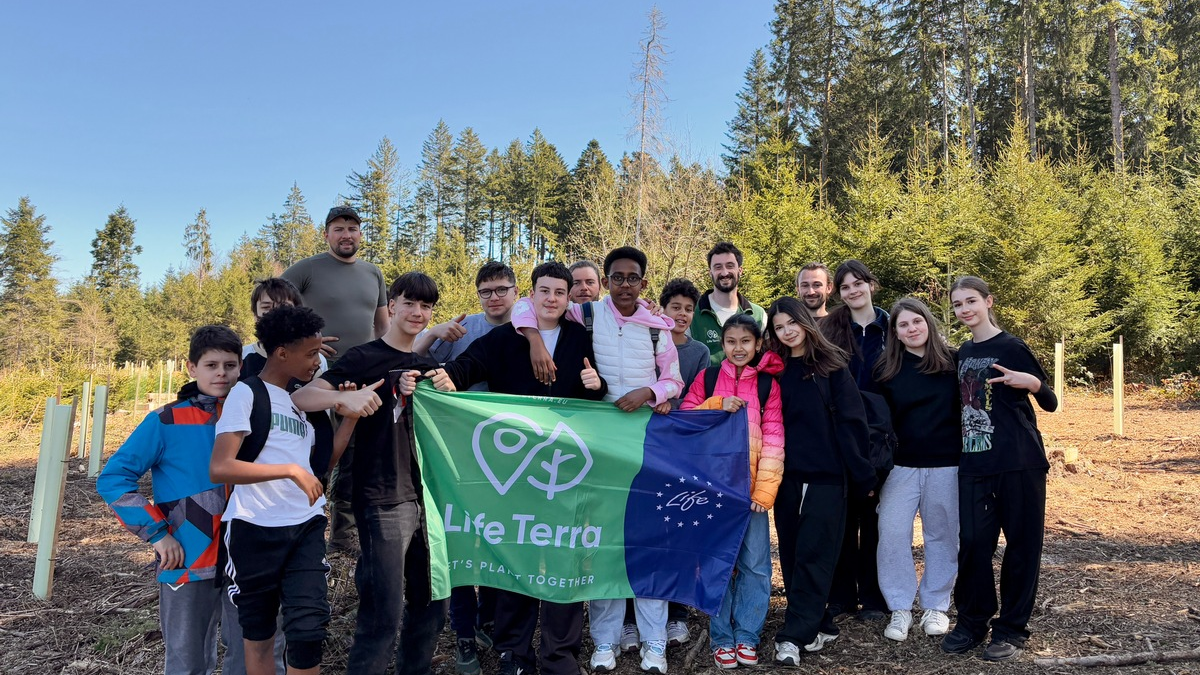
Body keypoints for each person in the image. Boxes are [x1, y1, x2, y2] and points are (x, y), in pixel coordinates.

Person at [419, 261, 607, 675]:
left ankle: (559, 655)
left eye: (560, 292)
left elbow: (596, 393)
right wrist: (449, 378)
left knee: (565, 562)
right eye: (545, 291)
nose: (552, 299)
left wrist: (598, 390)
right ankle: (514, 653)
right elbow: (468, 365)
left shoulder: (581, 337)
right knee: (516, 559)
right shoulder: (504, 339)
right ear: (532, 294)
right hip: (514, 472)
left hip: (566, 469)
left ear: (568, 295)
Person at [512, 246, 682, 674]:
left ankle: (654, 642)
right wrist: (533, 338)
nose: (625, 284)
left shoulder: (658, 329)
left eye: (633, 278)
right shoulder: (584, 316)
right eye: (617, 277)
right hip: (595, 446)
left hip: (644, 443)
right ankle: (604, 640)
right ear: (605, 282)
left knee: (647, 544)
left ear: (644, 282)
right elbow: (523, 307)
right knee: (601, 544)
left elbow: (674, 380)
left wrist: (651, 393)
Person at [291, 272, 448, 675]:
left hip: (429, 498)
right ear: (391, 306)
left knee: (432, 602)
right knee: (383, 608)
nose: (417, 312)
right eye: (409, 303)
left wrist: (449, 391)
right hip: (382, 497)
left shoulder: (430, 366)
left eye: (426, 306)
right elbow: (301, 397)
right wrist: (346, 397)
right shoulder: (364, 358)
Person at [210, 306, 358, 675]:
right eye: (310, 354)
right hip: (253, 528)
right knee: (258, 635)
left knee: (308, 633)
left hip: (305, 525)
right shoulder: (247, 393)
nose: (316, 362)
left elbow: (320, 467)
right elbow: (221, 467)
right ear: (280, 353)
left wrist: (349, 418)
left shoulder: (300, 405)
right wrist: (289, 470)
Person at [97, 326, 250, 675]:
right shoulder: (166, 420)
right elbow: (113, 479)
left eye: (230, 365)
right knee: (186, 660)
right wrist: (156, 533)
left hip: (247, 550)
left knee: (250, 653)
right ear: (191, 368)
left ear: (241, 367)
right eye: (211, 365)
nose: (221, 373)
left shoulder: (252, 415)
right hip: (187, 554)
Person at [941, 276, 1058, 662]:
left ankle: (1010, 629)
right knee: (974, 544)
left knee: (1022, 547)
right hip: (975, 462)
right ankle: (973, 622)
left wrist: (1033, 384)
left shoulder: (1012, 347)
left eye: (971, 301)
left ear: (989, 301)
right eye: (958, 305)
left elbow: (1051, 401)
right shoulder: (961, 352)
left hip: (1019, 462)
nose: (964, 310)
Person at [413, 261, 516, 674]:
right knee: (460, 539)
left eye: (501, 289)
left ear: (515, 291)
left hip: (511, 455)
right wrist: (433, 332)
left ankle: (491, 619)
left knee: (500, 538)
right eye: (486, 291)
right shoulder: (463, 329)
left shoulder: (529, 325)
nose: (493, 297)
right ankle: (464, 633)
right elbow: (412, 357)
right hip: (458, 451)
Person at [764, 298, 874, 667]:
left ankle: (792, 636)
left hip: (828, 479)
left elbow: (853, 424)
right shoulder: (775, 371)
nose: (786, 331)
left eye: (791, 323)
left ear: (805, 321)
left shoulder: (832, 366)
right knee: (794, 557)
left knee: (815, 555)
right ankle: (820, 622)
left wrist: (862, 476)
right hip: (787, 479)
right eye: (779, 327)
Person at [282, 205, 389, 553]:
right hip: (315, 379)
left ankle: (344, 535)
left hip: (360, 380)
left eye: (353, 229)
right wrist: (306, 340)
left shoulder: (373, 274)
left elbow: (383, 327)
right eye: (339, 228)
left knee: (353, 456)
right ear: (327, 234)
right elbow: (272, 303)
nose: (346, 235)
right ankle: (303, 526)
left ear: (361, 234)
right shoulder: (307, 270)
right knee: (313, 451)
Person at [679, 314, 783, 669]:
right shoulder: (708, 378)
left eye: (746, 342)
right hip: (712, 490)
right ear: (722, 345)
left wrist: (765, 492)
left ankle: (748, 635)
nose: (738, 348)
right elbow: (685, 418)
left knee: (755, 565)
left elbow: (773, 439)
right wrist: (715, 404)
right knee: (715, 563)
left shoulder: (769, 385)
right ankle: (721, 636)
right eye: (731, 342)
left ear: (757, 345)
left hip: (751, 492)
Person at [872, 298, 961, 642]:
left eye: (916, 322)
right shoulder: (887, 369)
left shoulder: (953, 362)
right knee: (893, 534)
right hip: (901, 467)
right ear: (895, 332)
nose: (912, 329)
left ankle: (937, 604)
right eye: (903, 325)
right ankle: (900, 607)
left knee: (942, 536)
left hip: (946, 464)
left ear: (928, 322)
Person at [820, 260, 889, 622]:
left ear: (870, 284)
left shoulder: (891, 326)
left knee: (876, 518)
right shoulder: (830, 328)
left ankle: (875, 598)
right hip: (840, 434)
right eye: (845, 287)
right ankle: (842, 595)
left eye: (858, 283)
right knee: (843, 519)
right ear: (839, 292)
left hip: (881, 436)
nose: (853, 291)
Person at [691, 242, 766, 365]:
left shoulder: (759, 315)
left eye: (730, 266)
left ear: (740, 270)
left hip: (749, 383)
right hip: (704, 384)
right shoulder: (693, 313)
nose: (725, 273)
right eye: (718, 267)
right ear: (710, 272)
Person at [241, 277, 328, 382]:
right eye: (266, 307)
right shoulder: (241, 357)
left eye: (284, 306)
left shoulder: (317, 362)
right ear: (255, 315)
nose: (275, 313)